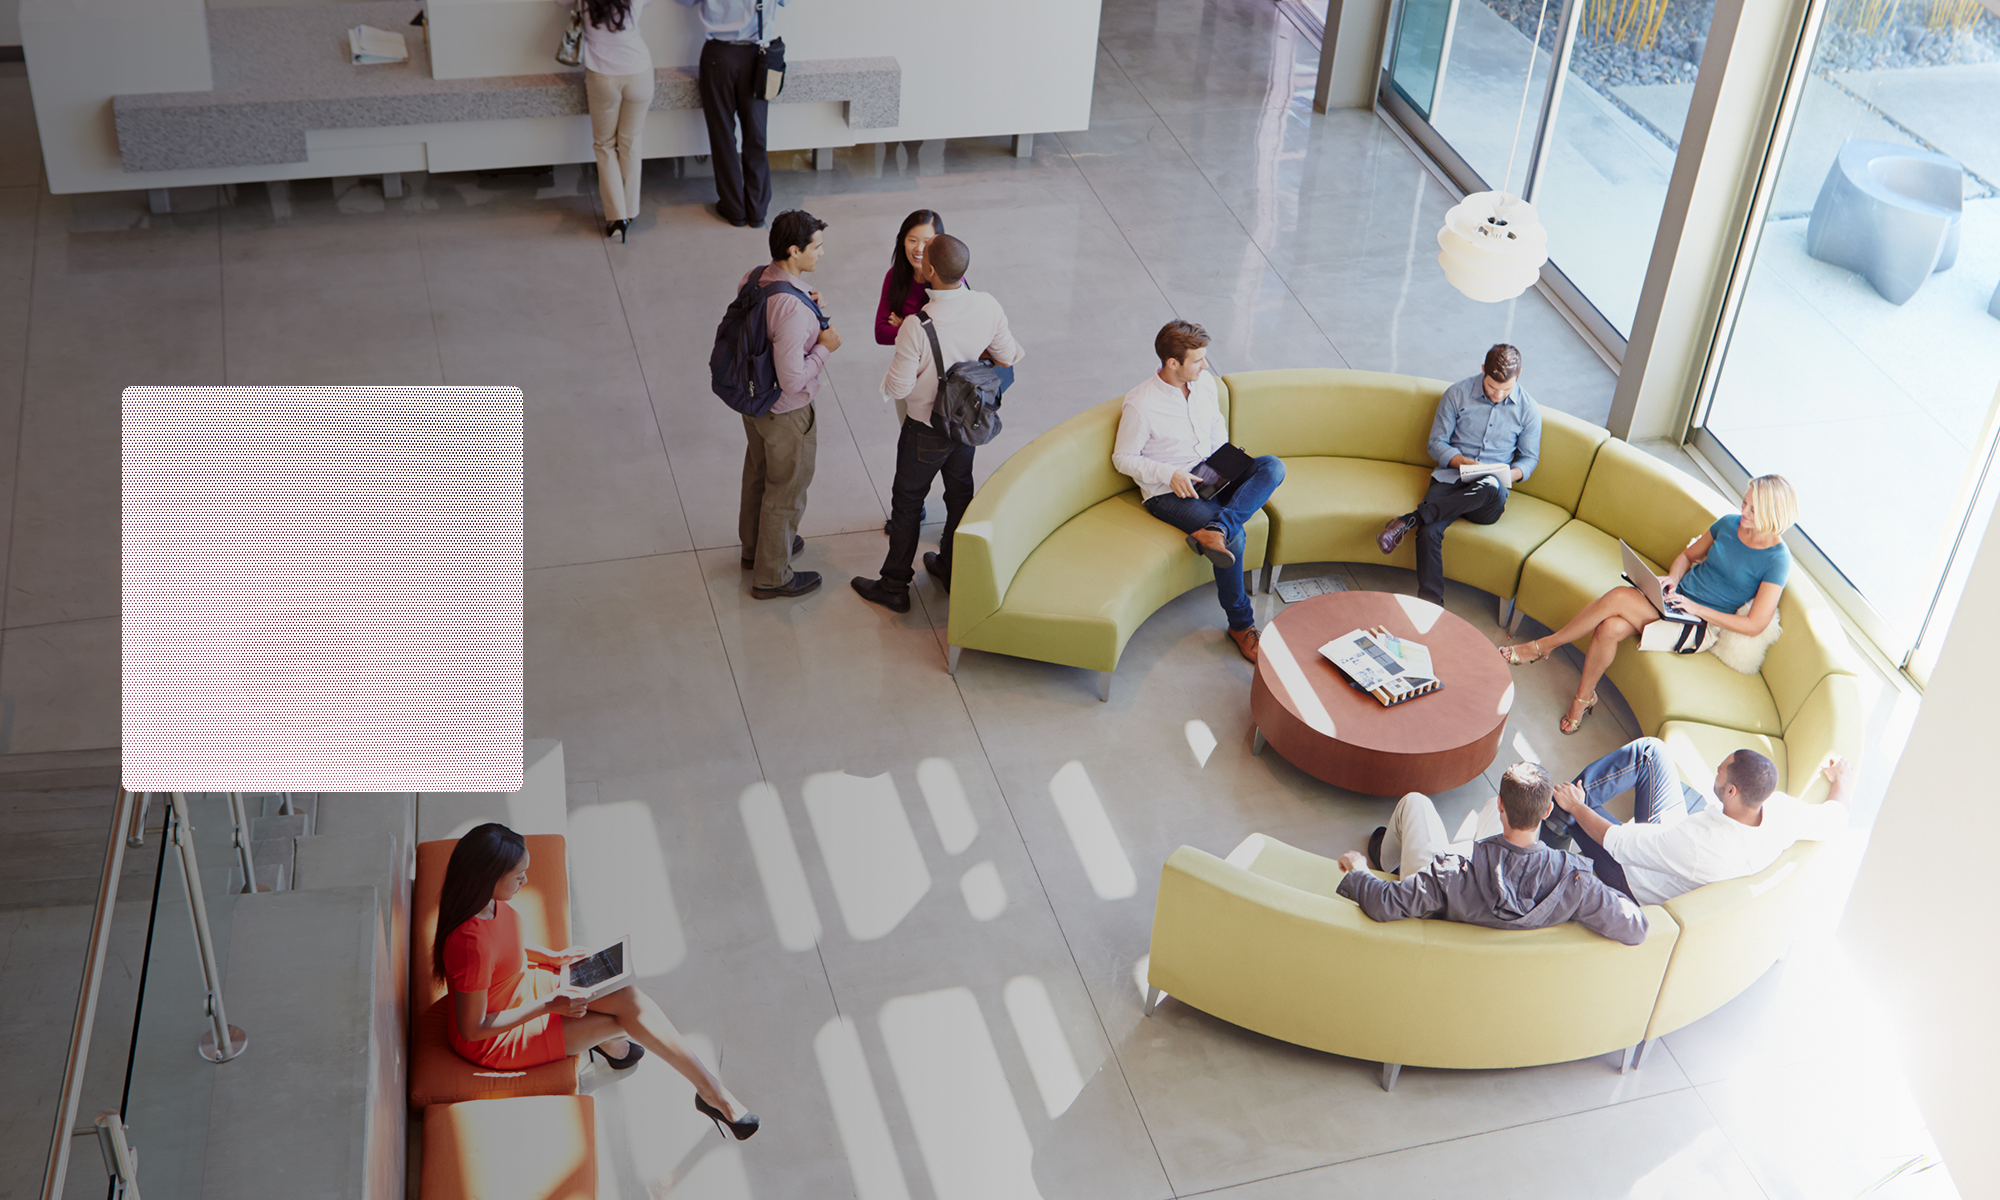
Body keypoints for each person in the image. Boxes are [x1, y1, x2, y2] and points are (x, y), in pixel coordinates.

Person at [435, 823, 760, 1139]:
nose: (526, 880)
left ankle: (703, 1087)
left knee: (628, 998)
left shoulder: (488, 902)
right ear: (488, 878)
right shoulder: (468, 943)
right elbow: (474, 1028)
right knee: (626, 1018)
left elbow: (503, 944)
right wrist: (549, 1005)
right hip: (498, 1039)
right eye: (519, 876)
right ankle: (709, 1093)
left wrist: (550, 956)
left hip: (521, 989)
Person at [1500, 473, 1799, 734]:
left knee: (1618, 597)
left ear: (1774, 514)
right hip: (1675, 599)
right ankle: (1583, 699)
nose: (1743, 511)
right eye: (1744, 502)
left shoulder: (1777, 560)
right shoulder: (1729, 524)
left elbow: (1755, 624)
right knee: (1609, 628)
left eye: (1752, 508)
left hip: (1699, 626)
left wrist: (1696, 609)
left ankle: (1543, 647)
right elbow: (1687, 557)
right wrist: (1672, 577)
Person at [851, 234, 1023, 612]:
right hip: (966, 423)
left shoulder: (917, 325)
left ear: (929, 271)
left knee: (908, 503)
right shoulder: (988, 305)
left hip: (925, 430)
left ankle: (894, 585)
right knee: (960, 493)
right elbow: (1008, 355)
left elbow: (899, 385)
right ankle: (950, 566)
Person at [1112, 321, 1286, 663]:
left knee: (1272, 466)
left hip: (1212, 471)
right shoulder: (1141, 404)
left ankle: (1216, 529)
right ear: (1172, 362)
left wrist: (1226, 464)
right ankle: (1241, 626)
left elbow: (1215, 424)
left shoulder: (1203, 382)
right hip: (1169, 492)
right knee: (1234, 541)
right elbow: (1122, 458)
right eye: (1197, 360)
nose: (1205, 366)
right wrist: (1169, 473)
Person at [1332, 763, 1648, 945]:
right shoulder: (1575, 880)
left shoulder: (1451, 872)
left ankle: (1390, 860)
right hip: (1494, 903)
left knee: (1415, 803)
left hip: (1449, 899)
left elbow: (1384, 903)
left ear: (1502, 805)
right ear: (1548, 810)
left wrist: (1359, 868)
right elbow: (1635, 928)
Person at [1541, 737, 1854, 906]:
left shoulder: (1699, 843)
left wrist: (1578, 806)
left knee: (1568, 807)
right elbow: (1834, 818)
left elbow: (1618, 844)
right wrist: (1841, 780)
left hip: (1635, 877)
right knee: (1651, 751)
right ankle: (1560, 810)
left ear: (1731, 791)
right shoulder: (1782, 811)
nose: (1715, 772)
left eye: (1720, 770)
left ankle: (1543, 838)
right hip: (1667, 837)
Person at [1376, 344, 1541, 605]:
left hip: (1489, 497)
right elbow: (1436, 443)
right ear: (1483, 370)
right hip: (1451, 479)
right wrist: (1464, 462)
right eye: (1491, 387)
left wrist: (1512, 473)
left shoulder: (1528, 410)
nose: (1497, 395)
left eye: (1505, 390)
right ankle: (1430, 606)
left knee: (1489, 484)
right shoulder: (1457, 394)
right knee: (1429, 532)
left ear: (1518, 376)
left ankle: (1409, 520)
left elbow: (1530, 458)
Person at [740, 209, 840, 599]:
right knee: (786, 490)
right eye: (817, 247)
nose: (821, 254)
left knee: (758, 475)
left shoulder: (754, 278)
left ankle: (755, 550)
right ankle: (772, 575)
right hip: (785, 412)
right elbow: (794, 379)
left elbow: (765, 325)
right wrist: (823, 348)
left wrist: (804, 299)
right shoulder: (793, 310)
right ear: (794, 250)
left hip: (753, 402)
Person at [678, 0, 785, 228]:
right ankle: (757, 210)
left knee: (722, 136)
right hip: (758, 57)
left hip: (718, 55)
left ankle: (734, 208)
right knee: (756, 135)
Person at [875, 209, 945, 533]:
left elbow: (951, 334)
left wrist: (905, 326)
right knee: (911, 449)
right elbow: (879, 332)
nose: (918, 248)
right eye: (912, 239)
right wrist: (916, 331)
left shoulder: (947, 278)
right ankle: (911, 512)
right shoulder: (896, 277)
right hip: (907, 380)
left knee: (947, 450)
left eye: (927, 241)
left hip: (944, 382)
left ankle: (951, 512)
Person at [561, 0, 655, 241]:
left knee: (604, 145)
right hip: (639, 71)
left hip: (602, 77)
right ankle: (630, 211)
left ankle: (617, 219)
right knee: (630, 142)